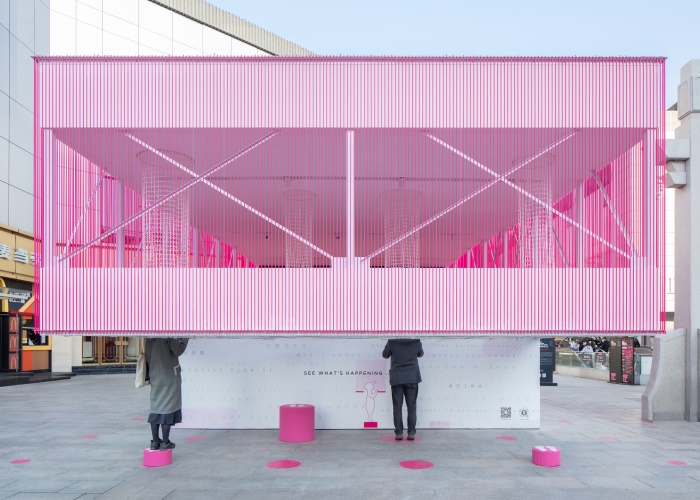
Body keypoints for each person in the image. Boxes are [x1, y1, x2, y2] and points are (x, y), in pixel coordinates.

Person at [145, 337, 189, 451]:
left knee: (156, 408)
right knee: (167, 409)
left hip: (155, 374)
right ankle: (165, 442)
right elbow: (178, 350)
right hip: (169, 375)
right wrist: (185, 337)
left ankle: (155, 442)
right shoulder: (167, 334)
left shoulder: (148, 336)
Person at [382, 338, 424, 441]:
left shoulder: (392, 342)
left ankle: (399, 433)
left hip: (397, 378)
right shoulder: (416, 342)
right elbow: (420, 354)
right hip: (412, 377)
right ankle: (411, 433)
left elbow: (385, 355)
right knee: (412, 407)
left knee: (397, 408)